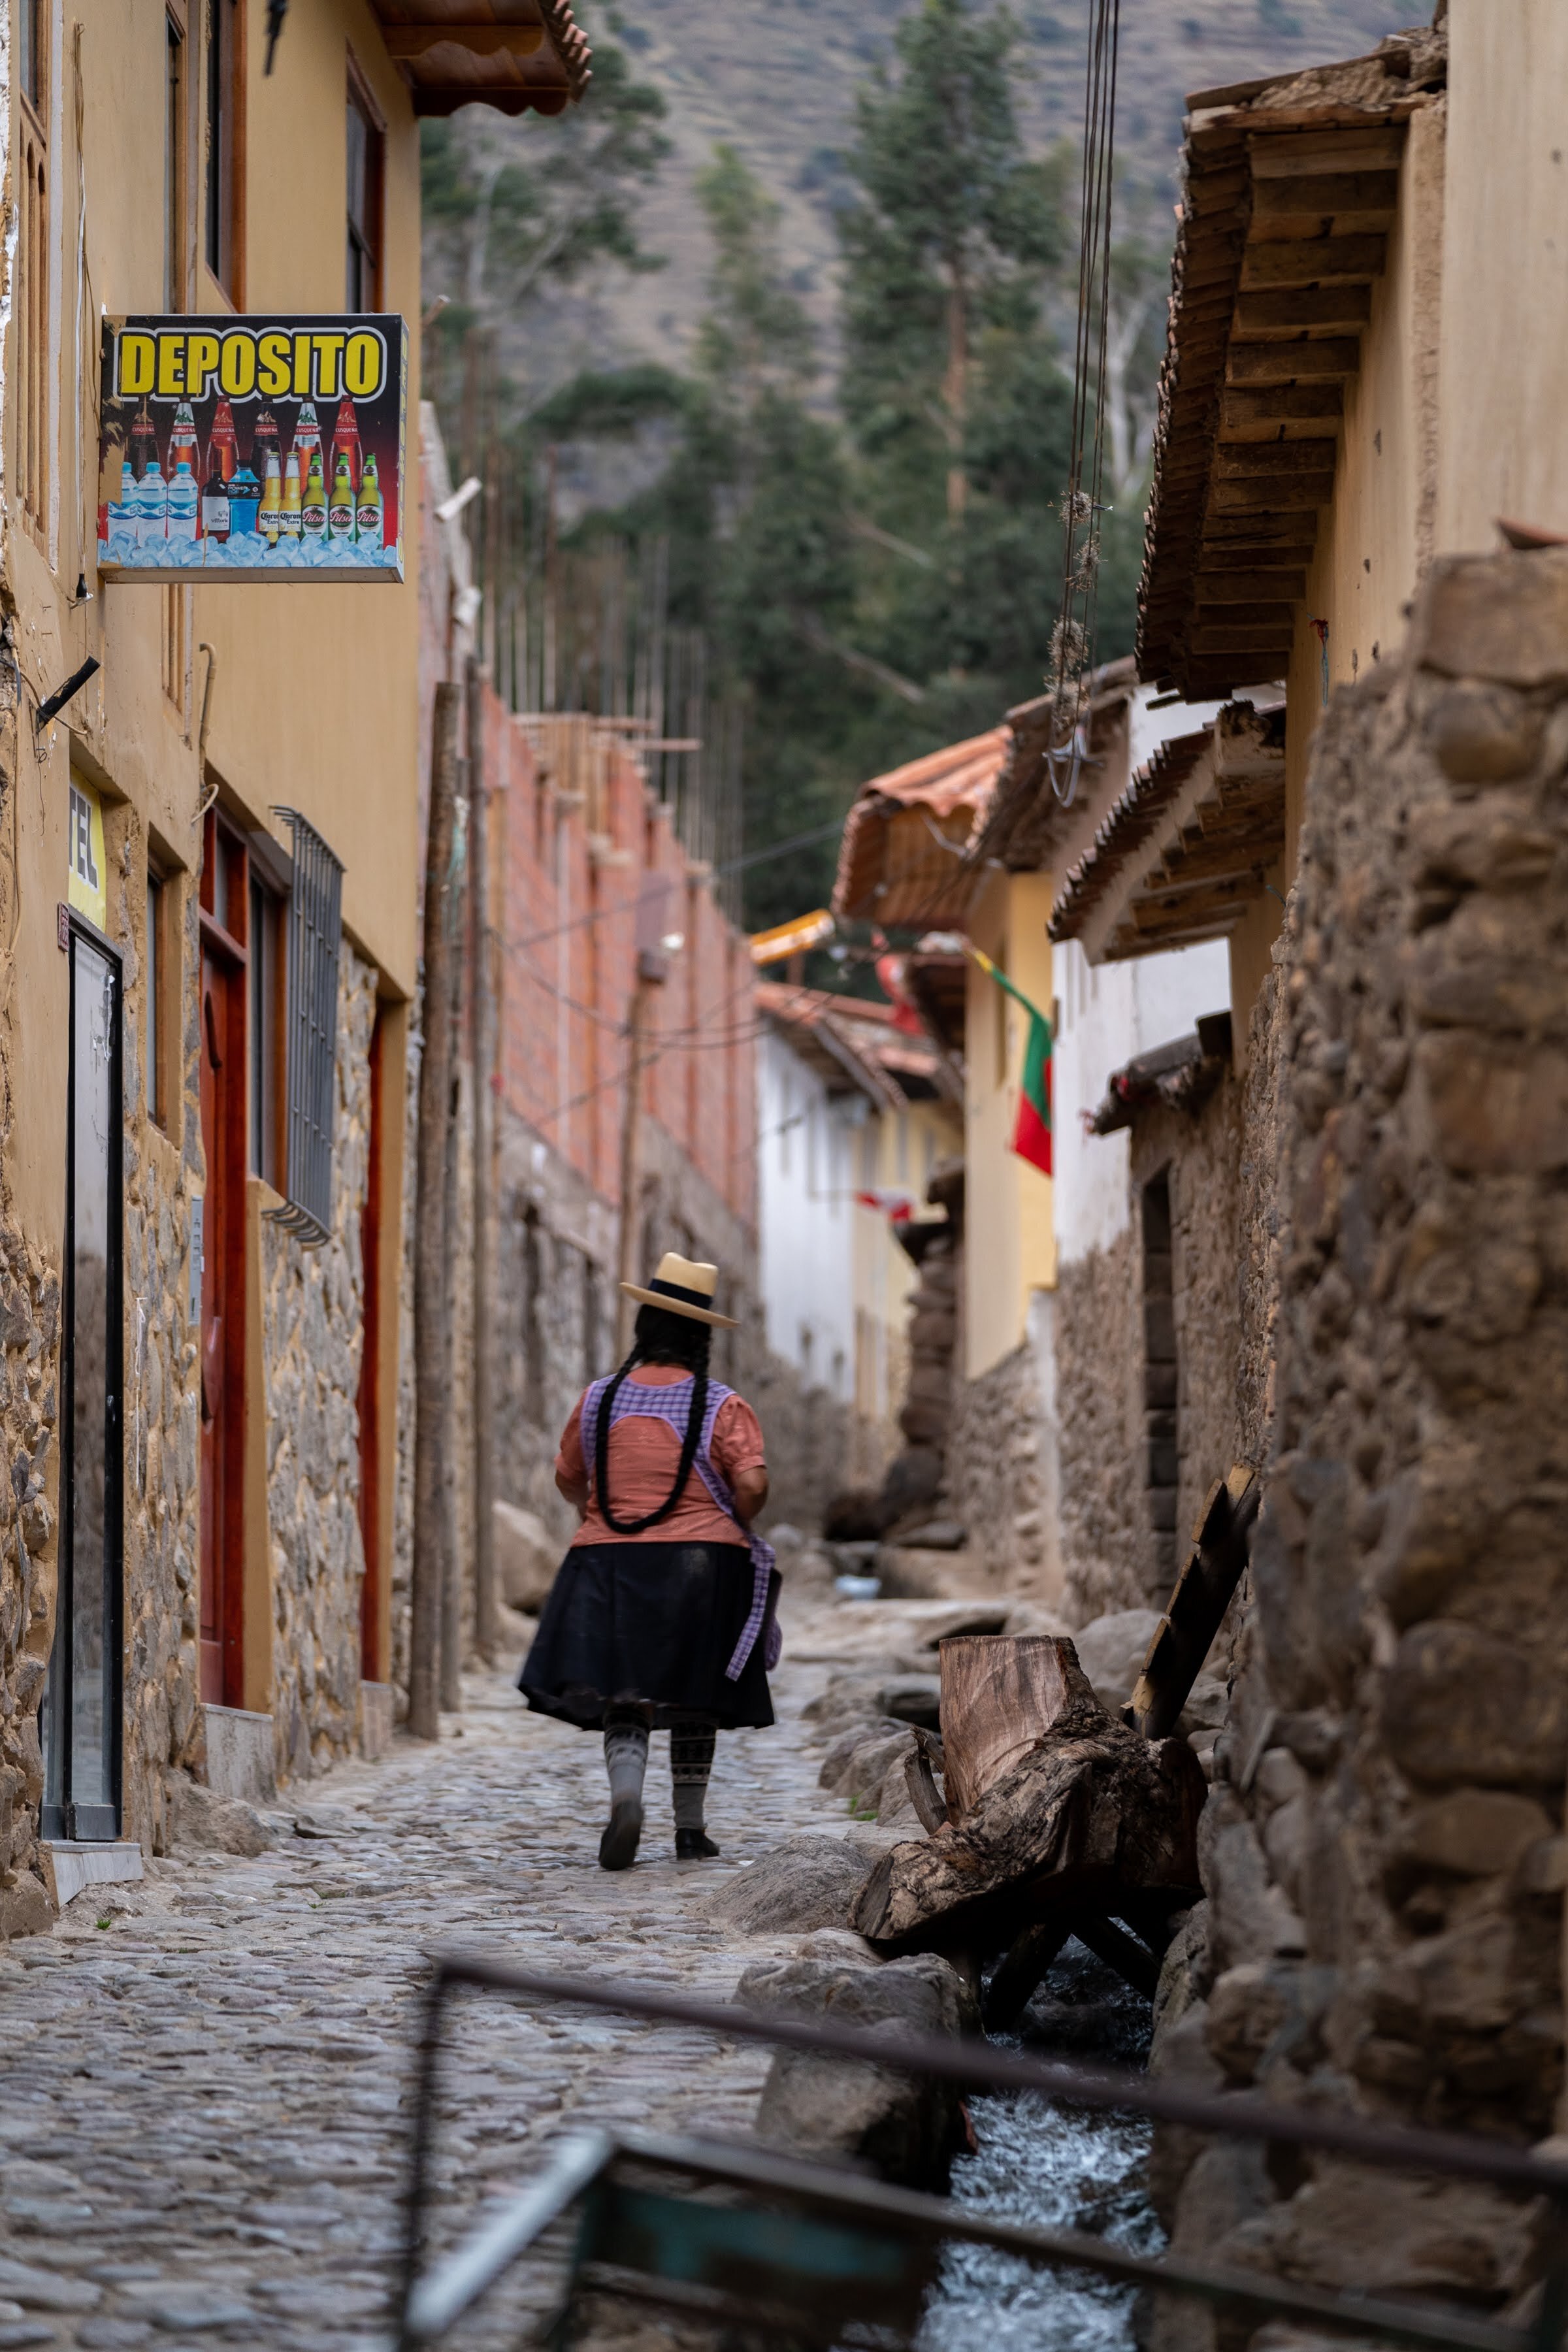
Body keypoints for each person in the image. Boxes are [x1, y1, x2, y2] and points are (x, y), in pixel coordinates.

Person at [519, 1252, 779, 1870]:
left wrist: (606, 1515)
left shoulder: (599, 1400)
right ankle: (690, 1829)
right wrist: (734, 1521)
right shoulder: (722, 1405)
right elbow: (753, 1483)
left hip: (608, 1564)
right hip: (701, 1562)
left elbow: (569, 1479)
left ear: (643, 1330)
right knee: (696, 1694)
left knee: (624, 1691)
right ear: (700, 1338)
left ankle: (627, 1797)